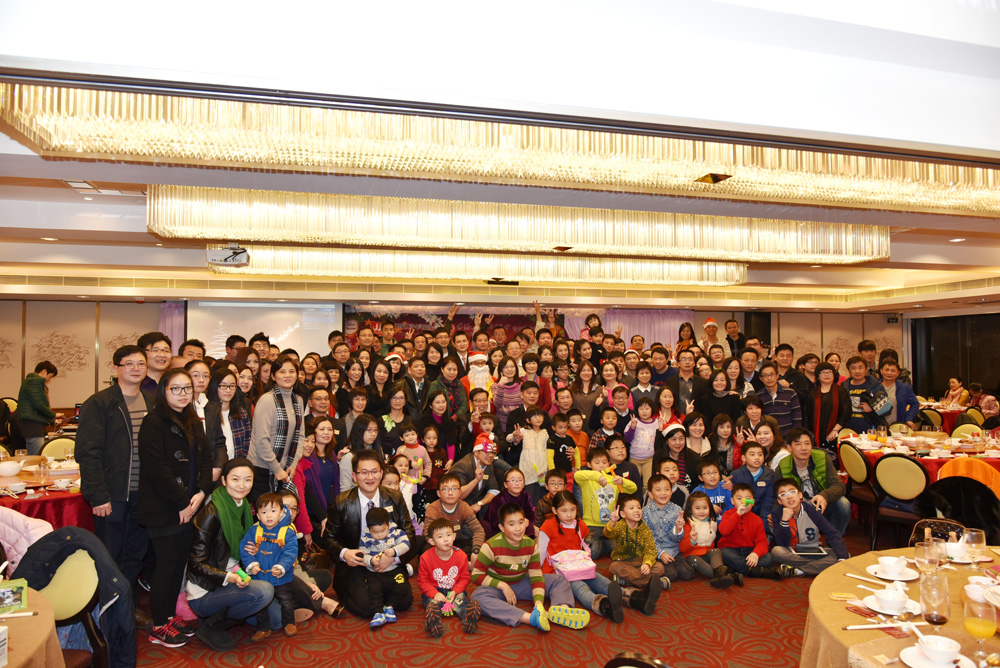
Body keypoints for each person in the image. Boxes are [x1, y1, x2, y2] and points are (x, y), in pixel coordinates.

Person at [77, 344, 155, 628]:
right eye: (129, 363)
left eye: (140, 363)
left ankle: (127, 608)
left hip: (144, 495)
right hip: (113, 495)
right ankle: (106, 613)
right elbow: (88, 452)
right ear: (116, 368)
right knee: (110, 555)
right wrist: (97, 495)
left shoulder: (152, 402)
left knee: (135, 554)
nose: (136, 368)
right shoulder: (100, 403)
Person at [138, 368, 214, 647]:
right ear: (164, 391)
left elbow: (206, 461)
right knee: (166, 566)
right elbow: (156, 469)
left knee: (178, 566)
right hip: (163, 507)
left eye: (187, 388)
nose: (183, 394)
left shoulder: (193, 420)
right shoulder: (153, 422)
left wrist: (201, 493)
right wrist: (182, 502)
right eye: (176, 389)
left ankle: (169, 617)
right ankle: (159, 625)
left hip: (190, 504)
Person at [319, 449, 417, 618]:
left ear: (381, 473)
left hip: (389, 561)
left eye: (374, 472)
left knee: (404, 601)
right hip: (358, 563)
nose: (370, 477)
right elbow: (329, 537)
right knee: (365, 607)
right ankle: (372, 594)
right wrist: (345, 553)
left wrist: (393, 557)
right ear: (354, 476)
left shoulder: (395, 497)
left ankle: (381, 594)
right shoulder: (342, 502)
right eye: (364, 472)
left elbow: (409, 531)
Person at [470, 503, 590, 631]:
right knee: (478, 596)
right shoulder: (490, 546)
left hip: (521, 582)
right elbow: (476, 575)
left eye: (521, 522)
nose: (518, 528)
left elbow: (536, 576)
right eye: (512, 524)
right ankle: (530, 618)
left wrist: (538, 604)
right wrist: (502, 586)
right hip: (498, 588)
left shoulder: (531, 545)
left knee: (559, 580)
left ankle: (561, 610)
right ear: (502, 527)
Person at [537, 491, 631, 622]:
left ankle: (632, 597)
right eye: (564, 511)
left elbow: (581, 546)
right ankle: (605, 606)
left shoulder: (579, 524)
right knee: (581, 588)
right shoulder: (548, 525)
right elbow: (541, 551)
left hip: (578, 565)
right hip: (558, 571)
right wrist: (536, 573)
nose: (569, 515)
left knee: (600, 580)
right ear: (554, 510)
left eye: (572, 510)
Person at [240, 492, 298, 639]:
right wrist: (251, 564)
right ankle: (263, 628)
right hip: (260, 577)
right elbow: (245, 549)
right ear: (258, 516)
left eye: (273, 511)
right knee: (261, 604)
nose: (269, 515)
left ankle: (289, 623)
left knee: (286, 601)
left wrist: (281, 567)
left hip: (280, 577)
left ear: (281, 513)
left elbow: (290, 553)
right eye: (264, 512)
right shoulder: (253, 531)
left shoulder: (288, 532)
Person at [247, 356, 305, 502]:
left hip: (284, 469)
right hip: (262, 468)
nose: (287, 375)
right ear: (273, 376)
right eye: (282, 372)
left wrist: (293, 464)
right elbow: (261, 441)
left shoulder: (298, 400)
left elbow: (300, 435)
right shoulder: (267, 400)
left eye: (291, 371)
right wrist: (276, 468)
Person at [775, 427, 850, 535]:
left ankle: (834, 540)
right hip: (797, 510)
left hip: (821, 506)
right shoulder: (783, 466)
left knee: (843, 504)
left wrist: (824, 496)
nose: (804, 448)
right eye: (798, 444)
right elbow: (777, 496)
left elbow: (839, 486)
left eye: (807, 443)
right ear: (789, 447)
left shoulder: (822, 459)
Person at [770, 477, 849, 576]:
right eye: (783, 494)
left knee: (844, 555)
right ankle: (819, 566)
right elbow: (782, 543)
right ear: (779, 501)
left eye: (792, 492)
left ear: (800, 495)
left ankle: (798, 571)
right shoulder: (777, 514)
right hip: (792, 552)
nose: (789, 497)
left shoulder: (811, 510)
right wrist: (784, 521)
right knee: (776, 551)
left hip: (814, 551)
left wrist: (842, 558)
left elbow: (831, 533)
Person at [419, 519, 481, 637]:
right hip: (435, 590)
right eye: (440, 537)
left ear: (454, 536)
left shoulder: (461, 555)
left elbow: (464, 577)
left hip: (454, 590)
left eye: (448, 535)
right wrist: (434, 593)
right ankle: (433, 622)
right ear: (431, 541)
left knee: (460, 602)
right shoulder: (425, 558)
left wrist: (455, 591)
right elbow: (423, 581)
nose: (446, 539)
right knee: (433, 604)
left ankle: (468, 618)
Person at [718, 484, 793, 579]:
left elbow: (762, 541)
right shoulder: (728, 514)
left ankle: (736, 568)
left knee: (769, 558)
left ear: (753, 502)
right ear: (732, 501)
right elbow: (724, 531)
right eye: (739, 499)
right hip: (731, 550)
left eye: (747, 499)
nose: (743, 502)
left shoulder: (757, 519)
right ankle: (756, 571)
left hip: (749, 551)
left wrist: (756, 553)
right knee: (723, 553)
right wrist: (737, 514)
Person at [574, 447, 638, 559]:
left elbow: (633, 488)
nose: (601, 465)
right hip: (591, 526)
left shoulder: (613, 479)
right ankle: (602, 545)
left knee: (618, 552)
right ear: (589, 464)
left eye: (604, 462)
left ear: (609, 464)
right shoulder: (587, 480)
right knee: (593, 552)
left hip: (611, 525)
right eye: (597, 462)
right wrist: (598, 476)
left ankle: (604, 544)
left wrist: (622, 481)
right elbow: (577, 475)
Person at [358, 507, 412, 629]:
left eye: (383, 531)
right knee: (373, 591)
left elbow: (406, 544)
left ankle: (390, 607)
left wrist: (395, 551)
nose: (379, 535)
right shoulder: (365, 538)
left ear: (388, 524)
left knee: (402, 586)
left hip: (393, 570)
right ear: (369, 529)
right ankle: (378, 613)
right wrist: (371, 560)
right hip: (375, 573)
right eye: (375, 532)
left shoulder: (396, 533)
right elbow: (363, 555)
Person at [604, 493, 665, 598]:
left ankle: (628, 580)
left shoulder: (645, 529)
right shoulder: (619, 526)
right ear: (623, 514)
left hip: (640, 562)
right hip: (623, 562)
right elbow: (608, 534)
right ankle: (651, 582)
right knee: (614, 567)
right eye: (631, 508)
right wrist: (612, 522)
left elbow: (651, 550)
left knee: (660, 567)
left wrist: (647, 564)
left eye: (639, 508)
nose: (637, 510)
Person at [676, 491, 739, 588]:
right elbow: (683, 549)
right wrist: (692, 540)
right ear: (691, 509)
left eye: (705, 508)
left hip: (706, 554)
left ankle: (720, 575)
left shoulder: (711, 522)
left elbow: (710, 544)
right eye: (697, 508)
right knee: (694, 559)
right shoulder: (688, 523)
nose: (702, 511)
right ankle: (725, 576)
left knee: (716, 551)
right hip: (692, 556)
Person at [642, 473, 694, 588]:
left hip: (674, 550)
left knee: (688, 573)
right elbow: (647, 538)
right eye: (658, 490)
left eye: (667, 489)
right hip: (655, 550)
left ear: (671, 492)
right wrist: (661, 553)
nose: (663, 493)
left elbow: (676, 539)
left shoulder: (676, 510)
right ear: (650, 494)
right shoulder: (645, 512)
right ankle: (653, 575)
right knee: (671, 574)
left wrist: (678, 528)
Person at [422, 473, 486, 562]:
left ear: (460, 492)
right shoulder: (433, 508)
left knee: (481, 546)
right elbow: (428, 534)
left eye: (454, 489)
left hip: (457, 542)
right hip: (439, 544)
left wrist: (476, 551)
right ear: (438, 493)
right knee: (427, 550)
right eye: (446, 489)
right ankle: (457, 562)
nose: (450, 493)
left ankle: (457, 561)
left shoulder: (464, 507)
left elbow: (478, 530)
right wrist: (444, 548)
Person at [16, 361, 63, 455]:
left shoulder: (31, 381)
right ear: (44, 371)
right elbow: (38, 404)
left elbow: (37, 407)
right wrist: (53, 415)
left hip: (32, 424)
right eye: (50, 376)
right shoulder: (35, 382)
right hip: (33, 426)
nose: (48, 380)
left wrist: (52, 420)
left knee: (36, 454)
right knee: (36, 456)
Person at [450, 434, 500, 518]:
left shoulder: (488, 465)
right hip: (456, 506)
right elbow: (458, 495)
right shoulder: (463, 466)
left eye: (493, 452)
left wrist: (479, 504)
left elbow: (494, 490)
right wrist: (476, 480)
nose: (491, 455)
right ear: (476, 452)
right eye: (486, 451)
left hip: (475, 502)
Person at [809, 361, 851, 457]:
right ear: (818, 376)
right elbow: (807, 414)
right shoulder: (812, 393)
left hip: (836, 432)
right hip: (816, 433)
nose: (827, 375)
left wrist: (835, 430)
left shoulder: (841, 392)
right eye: (823, 372)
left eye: (829, 372)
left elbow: (846, 412)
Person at [729, 441, 776, 525]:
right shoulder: (736, 475)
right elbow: (735, 501)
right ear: (744, 458)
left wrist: (763, 523)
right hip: (741, 516)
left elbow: (768, 501)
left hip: (762, 515)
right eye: (752, 454)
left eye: (760, 455)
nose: (757, 458)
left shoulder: (769, 475)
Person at [481, 467, 536, 538]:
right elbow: (495, 523)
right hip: (497, 530)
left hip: (517, 525)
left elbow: (530, 514)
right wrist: (518, 523)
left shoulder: (525, 495)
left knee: (533, 530)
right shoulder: (499, 499)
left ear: (524, 483)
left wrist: (527, 521)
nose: (517, 483)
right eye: (513, 480)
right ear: (505, 484)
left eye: (520, 480)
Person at [843, 355, 886, 434]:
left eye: (860, 368)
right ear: (849, 370)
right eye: (853, 368)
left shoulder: (876, 386)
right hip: (849, 430)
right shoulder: (843, 387)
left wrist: (872, 408)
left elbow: (887, 410)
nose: (857, 371)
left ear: (866, 369)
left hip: (871, 430)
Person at [879, 358, 919, 431]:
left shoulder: (904, 388)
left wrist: (909, 418)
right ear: (881, 371)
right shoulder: (875, 387)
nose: (889, 373)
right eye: (887, 370)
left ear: (898, 373)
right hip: (877, 427)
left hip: (897, 427)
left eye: (893, 371)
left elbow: (915, 404)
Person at [665, 349, 708, 416]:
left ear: (694, 363)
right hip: (675, 418)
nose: (687, 362)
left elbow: (705, 406)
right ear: (678, 363)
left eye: (690, 359)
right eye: (684, 359)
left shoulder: (702, 382)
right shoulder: (670, 381)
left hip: (695, 419)